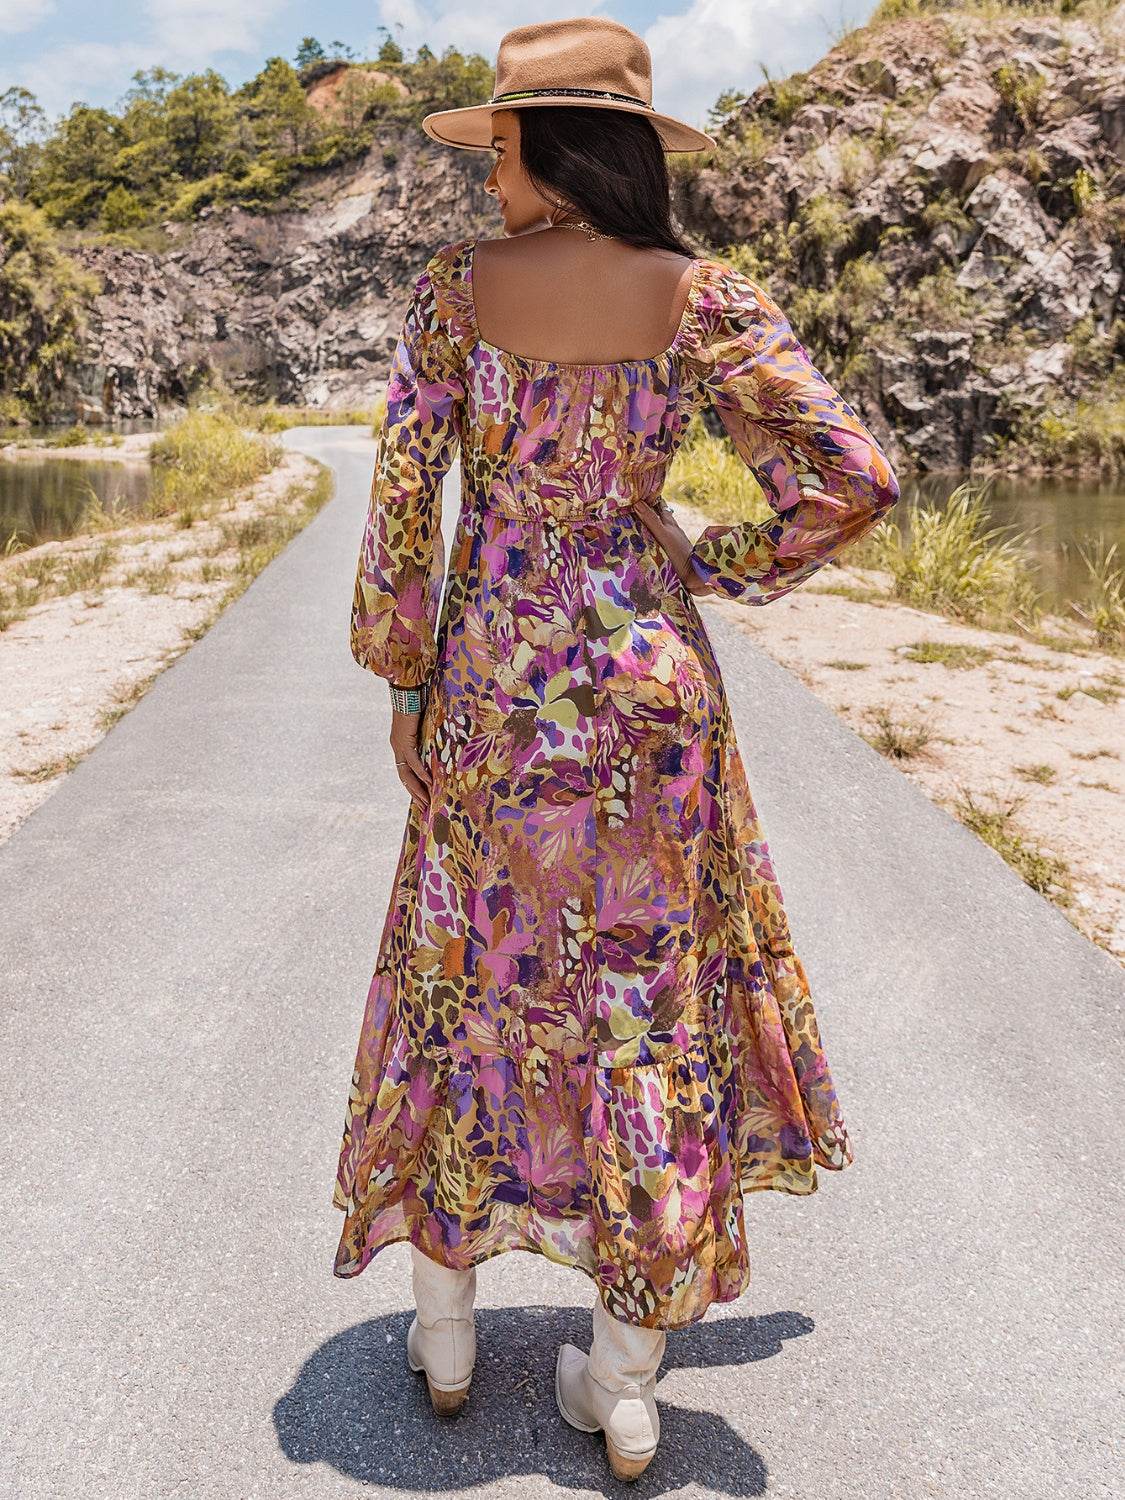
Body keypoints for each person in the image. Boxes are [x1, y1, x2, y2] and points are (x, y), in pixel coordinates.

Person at [332, 16, 900, 1483]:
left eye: (502, 147)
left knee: (468, 976)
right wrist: (714, 554)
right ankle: (626, 1381)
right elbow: (853, 478)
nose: (490, 176)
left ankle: (446, 1329)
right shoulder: (702, 297)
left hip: (491, 690)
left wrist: (404, 681)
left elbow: (404, 509)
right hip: (652, 698)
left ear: (549, 147)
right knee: (644, 1003)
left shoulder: (451, 294)